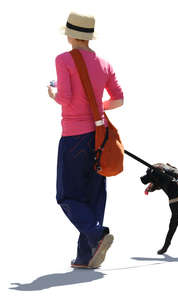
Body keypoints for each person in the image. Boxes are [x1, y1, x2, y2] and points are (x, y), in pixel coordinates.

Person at [47, 12, 124, 269]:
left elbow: (66, 98)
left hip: (74, 137)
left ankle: (96, 234)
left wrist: (53, 92)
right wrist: (95, 109)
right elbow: (118, 99)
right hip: (99, 137)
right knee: (93, 195)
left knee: (67, 195)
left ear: (71, 35)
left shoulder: (64, 59)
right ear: (88, 36)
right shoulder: (104, 63)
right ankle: (85, 256)